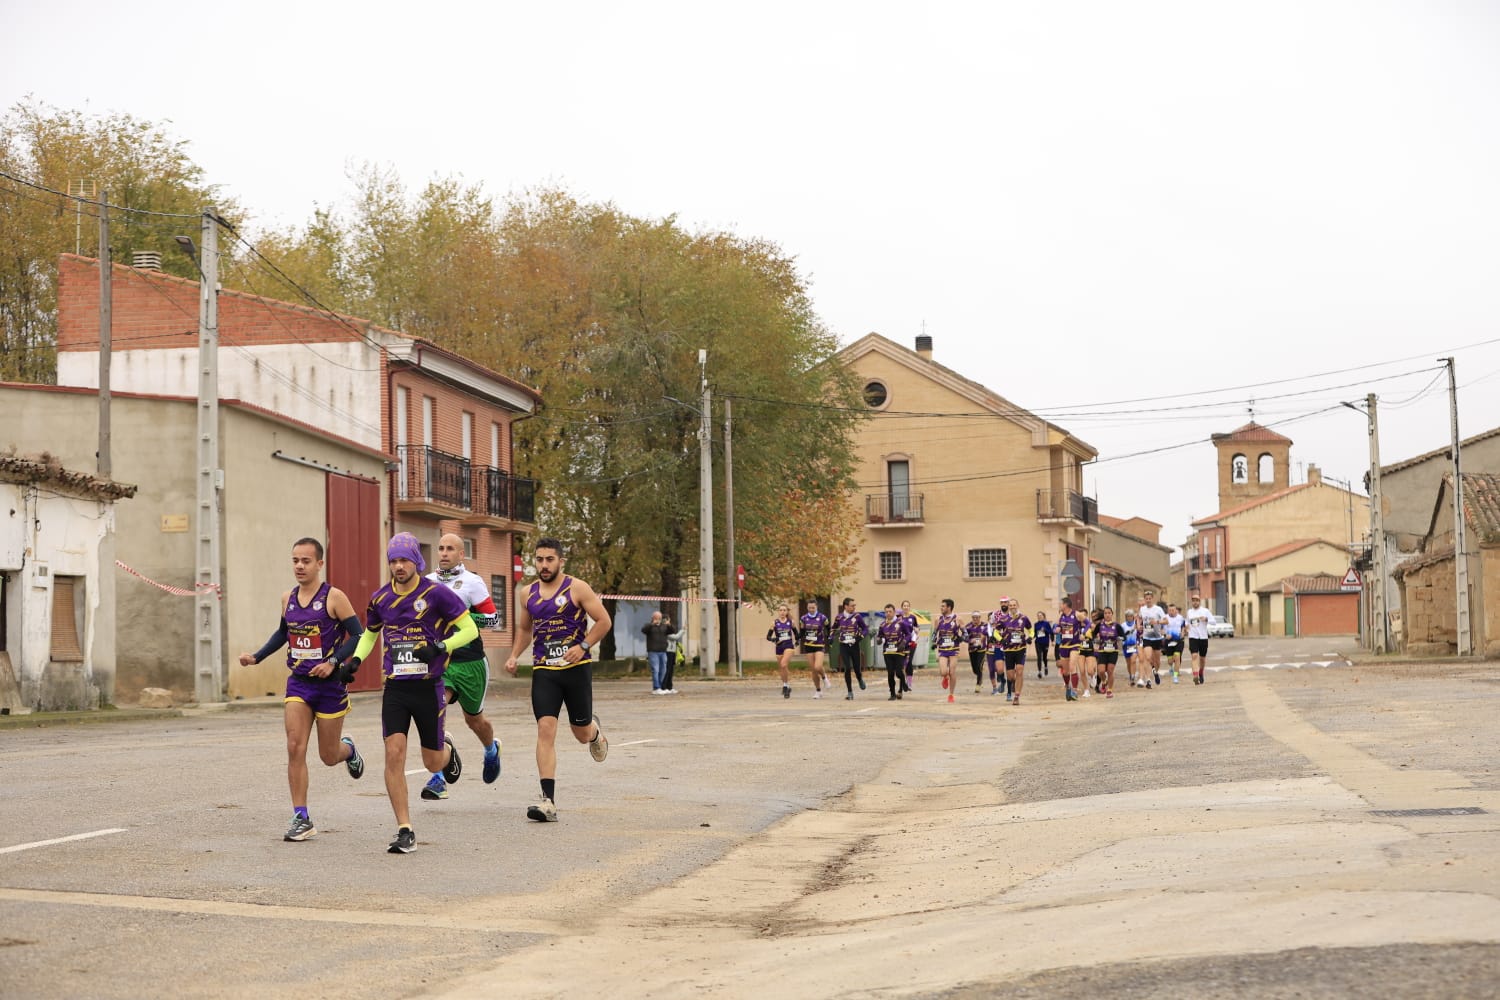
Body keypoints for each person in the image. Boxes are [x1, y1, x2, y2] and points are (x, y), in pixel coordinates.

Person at [343, 532, 473, 853]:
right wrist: (355, 660)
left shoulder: (437, 594)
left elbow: (469, 629)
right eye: (393, 561)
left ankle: (447, 751)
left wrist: (440, 647)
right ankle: (405, 829)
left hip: (429, 686)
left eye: (404, 560)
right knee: (394, 753)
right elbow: (370, 635)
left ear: (416, 560)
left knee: (432, 762)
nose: (398, 566)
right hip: (397, 688)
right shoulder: (380, 599)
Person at [239, 537, 366, 843]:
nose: (299, 566)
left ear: (319, 564)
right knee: (295, 747)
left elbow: (358, 634)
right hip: (299, 682)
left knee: (328, 755)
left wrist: (333, 662)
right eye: (295, 560)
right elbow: (283, 633)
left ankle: (348, 750)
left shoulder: (334, 597)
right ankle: (301, 816)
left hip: (330, 686)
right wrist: (257, 657)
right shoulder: (288, 598)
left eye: (306, 561)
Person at [504, 537, 611, 823]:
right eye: (539, 559)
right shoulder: (527, 594)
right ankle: (547, 801)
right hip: (544, 671)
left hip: (576, 669)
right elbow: (525, 630)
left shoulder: (577, 588)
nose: (544, 565)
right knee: (545, 729)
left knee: (580, 733)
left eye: (549, 559)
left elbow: (604, 621)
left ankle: (594, 732)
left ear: (560, 561)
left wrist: (583, 646)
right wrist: (514, 655)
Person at [421, 533, 503, 800]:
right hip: (441, 660)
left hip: (470, 662)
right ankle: (438, 777)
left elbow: (493, 619)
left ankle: (491, 750)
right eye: (441, 548)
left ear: (461, 554)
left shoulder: (472, 582)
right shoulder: (427, 583)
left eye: (450, 549)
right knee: (434, 709)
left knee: (474, 720)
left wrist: (462, 617)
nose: (444, 553)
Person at [998, 598, 1031, 705]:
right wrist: (1001, 639)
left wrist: (1030, 637)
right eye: (1010, 605)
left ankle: (1017, 696)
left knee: (1020, 671)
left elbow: (1031, 630)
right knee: (1011, 676)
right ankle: (1013, 682)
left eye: (1014, 605)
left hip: (1021, 648)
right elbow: (995, 632)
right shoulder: (1003, 619)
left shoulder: (1024, 618)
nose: (1012, 607)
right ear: (1008, 607)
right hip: (1008, 650)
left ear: (1018, 606)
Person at [833, 597, 867, 699]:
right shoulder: (839, 617)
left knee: (857, 669)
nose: (854, 607)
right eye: (852, 606)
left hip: (854, 646)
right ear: (846, 606)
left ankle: (860, 679)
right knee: (847, 668)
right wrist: (830, 637)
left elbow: (865, 629)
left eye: (854, 605)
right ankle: (850, 692)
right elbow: (833, 628)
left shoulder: (857, 616)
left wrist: (860, 637)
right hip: (844, 645)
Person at [877, 604, 912, 700]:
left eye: (890, 611)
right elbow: (880, 636)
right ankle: (892, 694)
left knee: (899, 672)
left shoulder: (901, 623)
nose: (888, 613)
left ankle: (903, 682)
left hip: (898, 651)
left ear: (894, 612)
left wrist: (904, 642)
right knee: (890, 673)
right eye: (886, 612)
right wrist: (879, 639)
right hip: (887, 651)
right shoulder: (882, 625)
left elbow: (908, 635)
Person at [933, 598, 963, 703]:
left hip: (954, 649)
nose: (941, 608)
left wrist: (961, 637)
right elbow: (934, 633)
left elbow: (965, 633)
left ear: (949, 607)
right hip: (943, 649)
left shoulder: (958, 619)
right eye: (941, 606)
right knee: (943, 672)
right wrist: (933, 642)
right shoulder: (938, 619)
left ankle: (951, 694)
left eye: (943, 606)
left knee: (952, 672)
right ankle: (945, 677)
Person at [801, 599, 831, 698]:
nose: (811, 609)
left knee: (817, 666)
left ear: (816, 607)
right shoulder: (803, 618)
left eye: (813, 608)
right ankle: (818, 691)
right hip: (808, 645)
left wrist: (829, 637)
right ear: (807, 607)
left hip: (819, 644)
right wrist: (798, 639)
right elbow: (802, 631)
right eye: (809, 608)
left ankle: (824, 677)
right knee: (813, 670)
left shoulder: (822, 617)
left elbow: (828, 627)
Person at [767, 604, 799, 699]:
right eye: (780, 610)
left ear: (787, 612)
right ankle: (787, 686)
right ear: (778, 611)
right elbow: (768, 637)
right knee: (782, 668)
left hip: (789, 646)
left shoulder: (791, 622)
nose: (782, 612)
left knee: (783, 664)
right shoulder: (774, 623)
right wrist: (774, 639)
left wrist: (797, 642)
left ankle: (785, 686)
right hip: (779, 647)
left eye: (784, 610)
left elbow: (797, 635)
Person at [1137, 589, 1168, 687]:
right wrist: (1138, 625)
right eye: (1146, 599)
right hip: (1146, 637)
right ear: (1145, 599)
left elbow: (1166, 621)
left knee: (1157, 661)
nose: (1148, 600)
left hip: (1157, 638)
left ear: (1152, 599)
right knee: (1147, 657)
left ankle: (1155, 672)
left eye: (1149, 598)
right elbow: (1138, 617)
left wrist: (1157, 622)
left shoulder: (1158, 609)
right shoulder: (1142, 609)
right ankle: (1148, 680)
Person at [641, 610, 675, 695]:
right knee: (655, 669)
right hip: (653, 651)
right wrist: (652, 624)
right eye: (656, 617)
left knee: (663, 670)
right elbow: (643, 630)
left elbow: (672, 631)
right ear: (653, 618)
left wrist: (669, 624)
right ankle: (656, 688)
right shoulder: (649, 626)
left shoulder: (664, 626)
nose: (658, 619)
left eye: (659, 617)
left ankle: (660, 686)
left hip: (663, 651)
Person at [1054, 598, 1082, 701]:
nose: (1059, 605)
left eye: (1060, 604)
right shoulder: (1061, 616)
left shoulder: (1076, 614)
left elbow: (1088, 623)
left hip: (1074, 644)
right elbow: (1056, 628)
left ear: (1065, 605)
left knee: (1072, 666)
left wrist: (1083, 634)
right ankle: (1068, 687)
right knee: (1065, 671)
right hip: (1064, 646)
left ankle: (1074, 691)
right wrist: (1056, 630)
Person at [1092, 606, 1122, 699]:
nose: (1107, 615)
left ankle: (1110, 690)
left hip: (1113, 651)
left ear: (1112, 614)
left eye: (1109, 613)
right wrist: (1096, 641)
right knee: (1101, 671)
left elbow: (1123, 636)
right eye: (1105, 613)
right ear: (1104, 615)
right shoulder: (1099, 625)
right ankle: (1104, 682)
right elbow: (1093, 636)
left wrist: (1119, 638)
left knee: (1110, 671)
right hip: (1102, 651)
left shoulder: (1116, 626)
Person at [1185, 592, 1212, 685]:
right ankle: (1195, 676)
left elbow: (1213, 621)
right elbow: (1186, 622)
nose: (1195, 602)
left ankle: (1201, 672)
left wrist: (1206, 619)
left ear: (1199, 601)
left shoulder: (1205, 611)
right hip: (1193, 637)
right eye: (1193, 600)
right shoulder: (1189, 612)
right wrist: (1186, 627)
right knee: (1194, 656)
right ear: (1191, 602)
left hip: (1203, 637)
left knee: (1202, 658)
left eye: (1197, 600)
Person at [964, 612, 988, 694]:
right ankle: (979, 675)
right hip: (972, 650)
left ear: (980, 617)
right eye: (973, 617)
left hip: (981, 649)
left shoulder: (985, 625)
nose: (975, 619)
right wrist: (970, 640)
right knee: (975, 670)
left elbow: (988, 634)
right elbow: (964, 637)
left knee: (979, 665)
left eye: (977, 617)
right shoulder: (968, 627)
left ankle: (978, 683)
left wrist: (982, 640)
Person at [1123, 609, 1147, 688]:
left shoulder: (1137, 623)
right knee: (1129, 663)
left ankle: (1133, 678)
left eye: (1131, 616)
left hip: (1135, 645)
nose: (1129, 617)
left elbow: (1141, 632)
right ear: (1126, 617)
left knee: (1133, 660)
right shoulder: (1123, 625)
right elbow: (1121, 635)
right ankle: (1131, 675)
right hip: (1126, 646)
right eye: (1128, 616)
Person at [898, 599, 919, 691]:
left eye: (907, 606)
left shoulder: (913, 617)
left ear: (909, 607)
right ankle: (902, 683)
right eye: (904, 606)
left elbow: (917, 627)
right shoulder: (899, 618)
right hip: (901, 643)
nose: (906, 607)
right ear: (902, 607)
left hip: (911, 643)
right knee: (901, 663)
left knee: (909, 661)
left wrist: (917, 632)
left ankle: (909, 682)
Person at [1164, 603, 1187, 683]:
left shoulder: (1180, 618)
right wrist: (1165, 635)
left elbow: (1183, 627)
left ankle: (1175, 676)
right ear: (1168, 611)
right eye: (1170, 610)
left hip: (1178, 640)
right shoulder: (1165, 618)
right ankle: (1171, 667)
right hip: (1168, 640)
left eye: (1173, 610)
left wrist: (1183, 633)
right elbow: (1161, 629)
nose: (1171, 612)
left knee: (1177, 657)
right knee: (1170, 661)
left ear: (1176, 610)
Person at [662, 613, 683, 694]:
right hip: (668, 651)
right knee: (667, 670)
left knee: (670, 670)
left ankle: (669, 687)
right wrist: (683, 630)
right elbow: (675, 637)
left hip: (672, 651)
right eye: (667, 620)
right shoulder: (664, 629)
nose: (668, 621)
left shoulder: (669, 628)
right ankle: (664, 687)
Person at [1033, 612, 1053, 678]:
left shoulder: (1046, 623)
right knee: (1039, 657)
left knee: (1044, 657)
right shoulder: (1036, 624)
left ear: (1043, 616)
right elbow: (1035, 633)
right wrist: (1030, 638)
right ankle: (1039, 672)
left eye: (1040, 615)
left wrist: (1045, 629)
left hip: (1045, 642)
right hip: (1038, 642)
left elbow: (1050, 632)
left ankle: (1046, 667)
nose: (1039, 616)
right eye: (1038, 615)